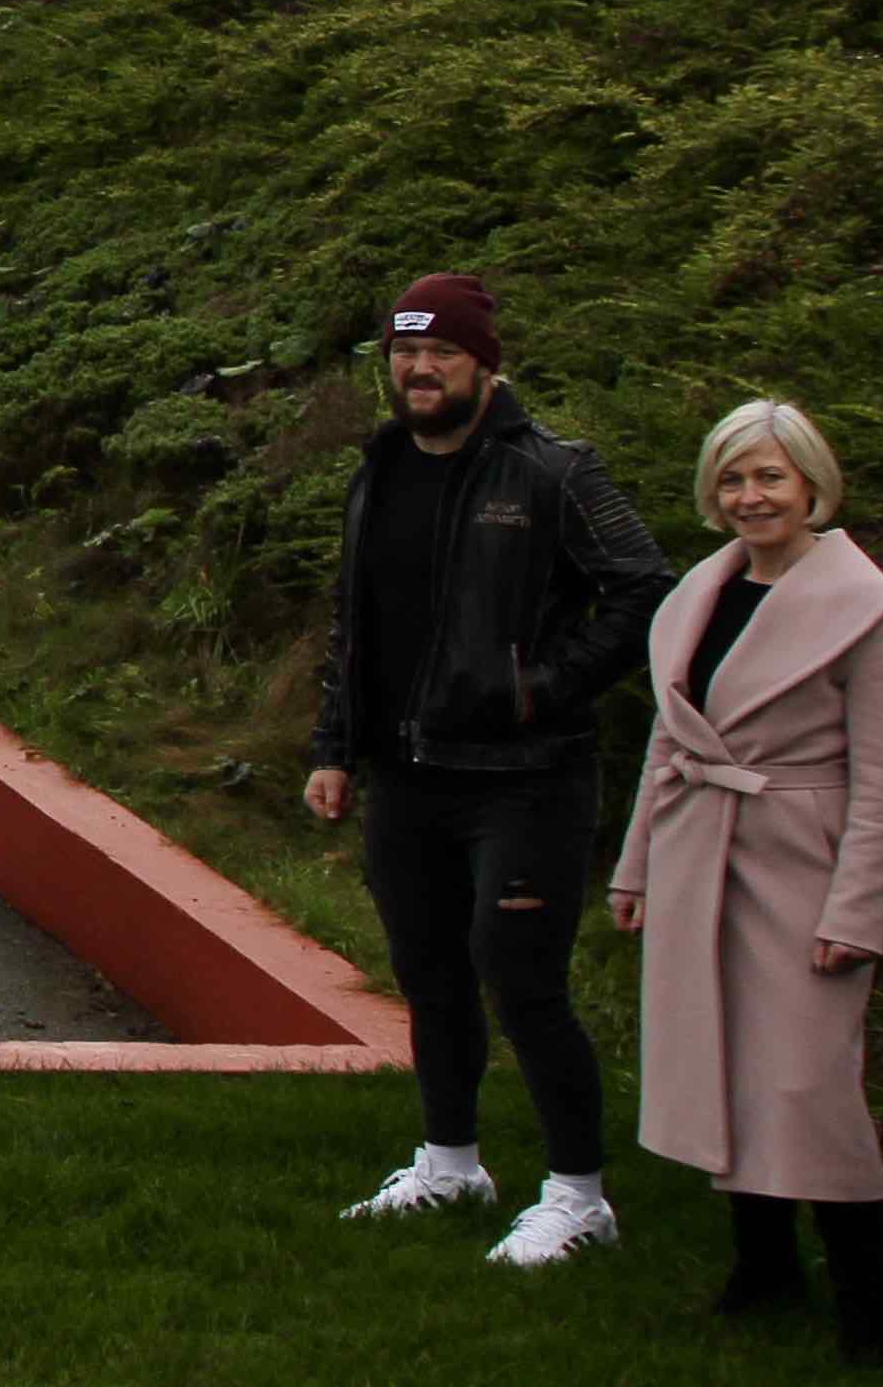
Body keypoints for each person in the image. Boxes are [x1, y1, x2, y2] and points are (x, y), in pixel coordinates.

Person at [301, 274, 669, 1266]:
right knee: (428, 974)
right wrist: (334, 748)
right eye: (403, 354)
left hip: (523, 774)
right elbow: (354, 624)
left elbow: (643, 590)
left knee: (520, 978)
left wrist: (537, 688)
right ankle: (450, 1161)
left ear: (483, 366)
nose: (419, 371)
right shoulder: (377, 469)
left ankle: (578, 1194)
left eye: (441, 355)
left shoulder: (550, 472)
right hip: (404, 771)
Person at [608, 400, 883, 1361]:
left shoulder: (876, 614)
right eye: (733, 480)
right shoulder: (699, 594)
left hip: (802, 864)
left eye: (769, 477)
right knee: (724, 1070)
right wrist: (636, 867)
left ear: (811, 484)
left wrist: (855, 913)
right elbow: (670, 740)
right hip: (700, 848)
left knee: (805, 1085)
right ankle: (764, 1267)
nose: (751, 497)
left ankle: (869, 1306)